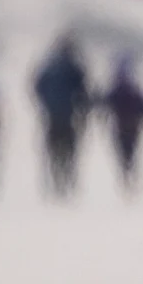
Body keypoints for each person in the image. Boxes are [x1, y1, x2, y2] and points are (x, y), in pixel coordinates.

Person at [31, 32, 95, 198]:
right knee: (69, 151)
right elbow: (84, 92)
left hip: (52, 116)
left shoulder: (48, 66)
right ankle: (66, 182)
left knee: (53, 151)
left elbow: (36, 87)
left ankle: (56, 182)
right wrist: (84, 112)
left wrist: (44, 106)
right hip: (69, 116)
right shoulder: (74, 67)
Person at [103, 52, 143, 195]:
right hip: (133, 127)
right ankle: (130, 179)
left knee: (123, 155)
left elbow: (105, 105)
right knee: (131, 154)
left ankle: (127, 180)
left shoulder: (116, 88)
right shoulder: (134, 89)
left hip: (120, 126)